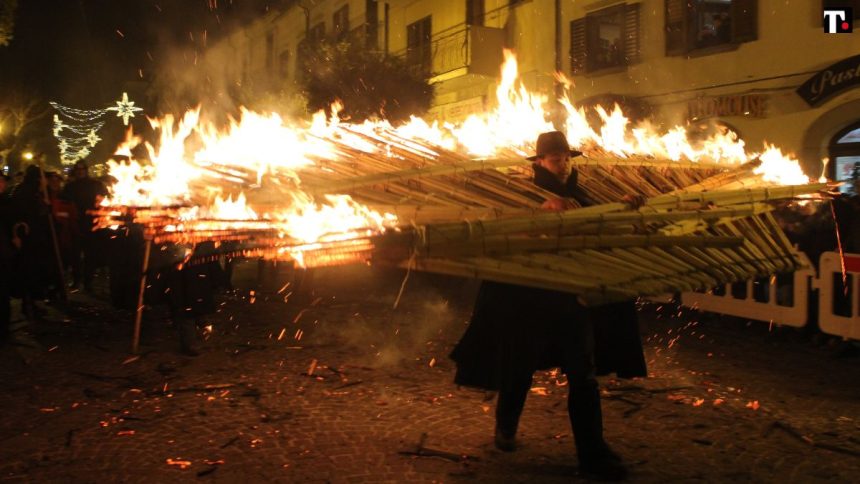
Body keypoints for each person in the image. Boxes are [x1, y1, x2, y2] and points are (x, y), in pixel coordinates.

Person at [450, 131, 647, 481]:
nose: (564, 164)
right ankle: (506, 427)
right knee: (519, 368)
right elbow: (500, 230)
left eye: (566, 158)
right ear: (539, 162)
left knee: (583, 376)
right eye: (556, 159)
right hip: (529, 301)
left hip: (572, 301)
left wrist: (624, 205)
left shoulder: (578, 192)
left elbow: (597, 221)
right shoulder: (522, 191)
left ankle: (592, 453)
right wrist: (538, 213)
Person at [61, 161, 109, 292]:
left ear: (86, 170)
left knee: (90, 256)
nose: (80, 171)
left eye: (83, 169)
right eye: (78, 169)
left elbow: (105, 198)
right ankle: (76, 281)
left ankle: (88, 282)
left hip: (92, 224)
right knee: (75, 256)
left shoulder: (96, 185)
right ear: (75, 171)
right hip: (75, 224)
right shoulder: (70, 187)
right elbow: (63, 202)